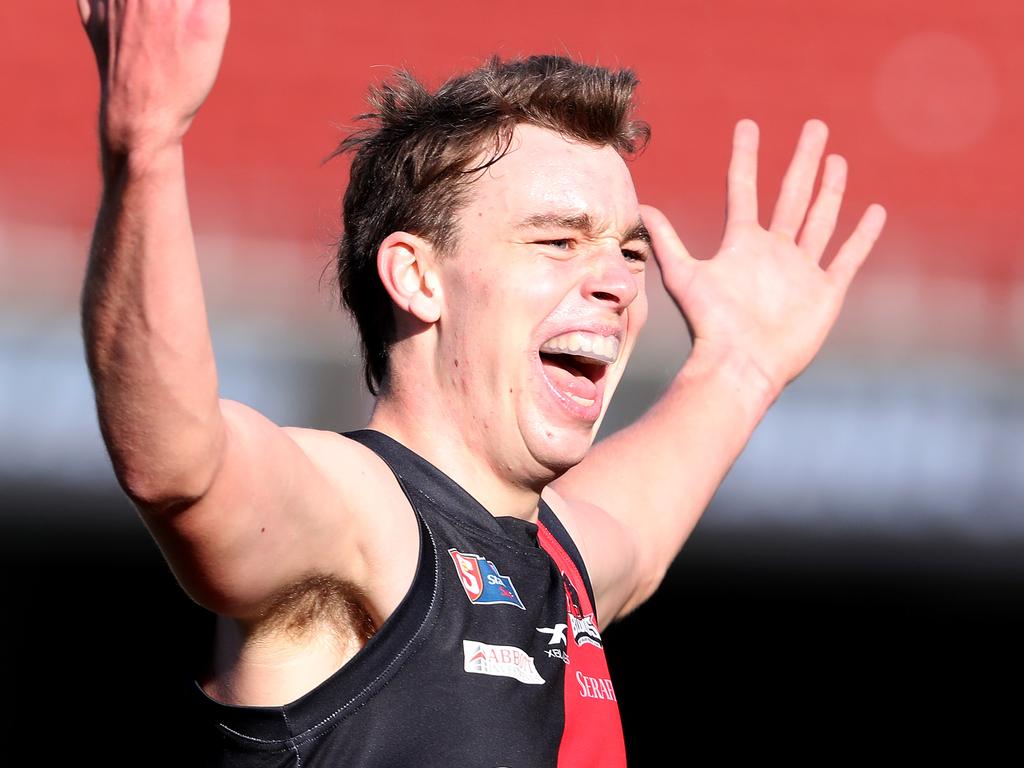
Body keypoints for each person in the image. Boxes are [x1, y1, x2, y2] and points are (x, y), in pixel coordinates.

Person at [78, 1, 886, 765]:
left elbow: (638, 544)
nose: (618, 282)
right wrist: (146, 146)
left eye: (628, 251)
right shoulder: (362, 521)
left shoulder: (562, 559)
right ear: (418, 278)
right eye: (559, 241)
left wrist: (741, 362)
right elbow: (180, 464)